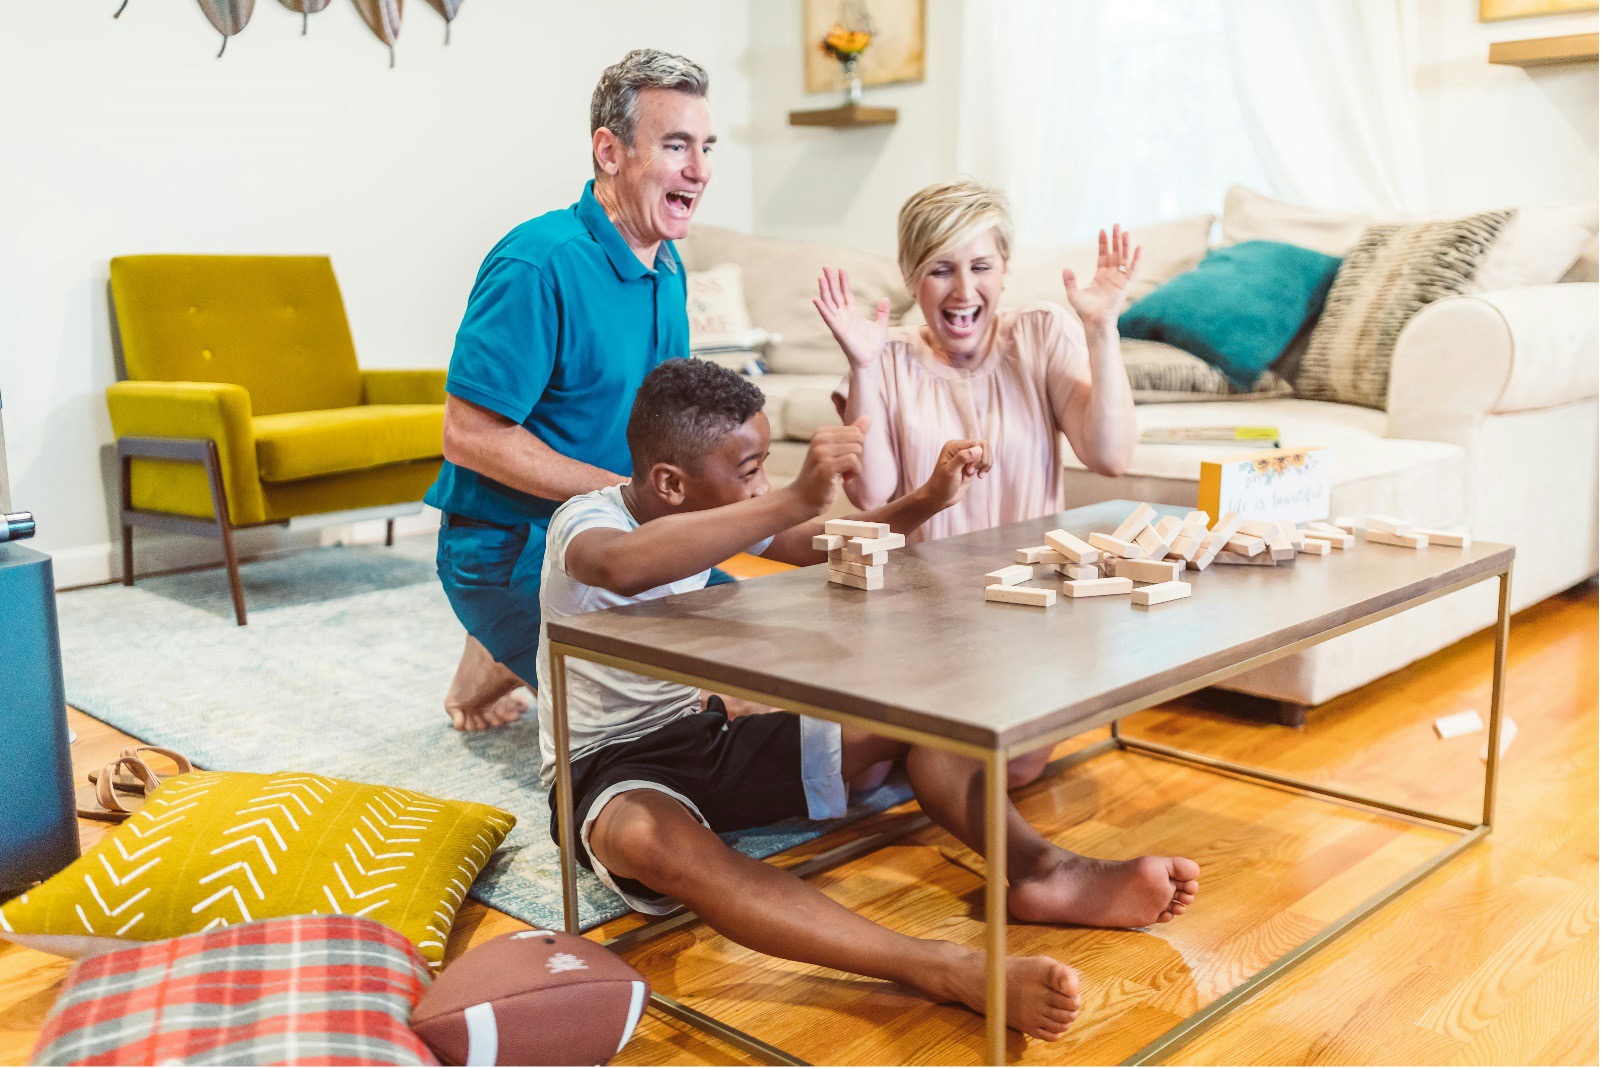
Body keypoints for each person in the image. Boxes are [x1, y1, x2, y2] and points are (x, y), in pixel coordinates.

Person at [537, 358, 1200, 1041]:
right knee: (651, 838)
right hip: (606, 767)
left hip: (704, 736)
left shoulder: (719, 508)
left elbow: (820, 545)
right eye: (751, 469)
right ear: (672, 483)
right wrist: (792, 496)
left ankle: (1044, 869)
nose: (762, 485)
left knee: (928, 713)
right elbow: (619, 564)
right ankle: (939, 967)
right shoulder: (584, 524)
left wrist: (926, 500)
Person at [424, 49, 720, 731]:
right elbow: (467, 436)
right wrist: (622, 495)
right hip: (508, 546)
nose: (699, 170)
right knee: (675, 707)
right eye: (676, 145)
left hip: (611, 531)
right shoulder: (538, 262)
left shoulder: (667, 267)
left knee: (751, 639)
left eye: (705, 147)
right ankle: (501, 621)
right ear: (609, 151)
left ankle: (497, 651)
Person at [814, 178, 1141, 785]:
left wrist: (1101, 330)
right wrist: (862, 365)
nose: (964, 291)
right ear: (912, 277)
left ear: (1005, 270)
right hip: (916, 616)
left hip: (1023, 613)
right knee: (855, 776)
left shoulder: (1040, 333)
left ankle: (916, 739)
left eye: (981, 266)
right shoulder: (884, 355)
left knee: (1009, 767)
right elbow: (871, 494)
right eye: (940, 269)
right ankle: (907, 736)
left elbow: (1111, 454)